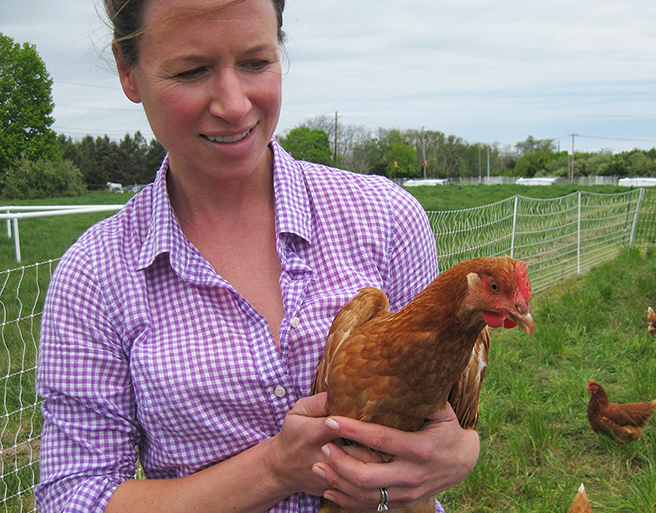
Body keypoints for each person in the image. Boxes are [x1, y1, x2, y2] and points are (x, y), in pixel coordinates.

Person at [34, 0, 481, 511]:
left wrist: (460, 450)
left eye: (255, 62)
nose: (234, 105)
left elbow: (443, 412)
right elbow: (73, 497)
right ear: (127, 71)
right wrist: (274, 469)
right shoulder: (94, 276)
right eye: (191, 71)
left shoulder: (385, 218)